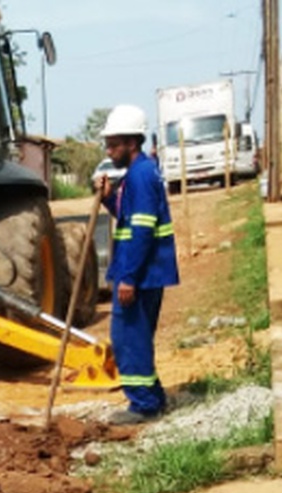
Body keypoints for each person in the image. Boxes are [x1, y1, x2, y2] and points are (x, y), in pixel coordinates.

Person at [93, 105, 180, 425]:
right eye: (109, 144)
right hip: (146, 271)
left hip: (140, 274)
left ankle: (143, 405)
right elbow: (129, 217)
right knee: (138, 336)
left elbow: (141, 231)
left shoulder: (141, 175)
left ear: (133, 142)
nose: (109, 150)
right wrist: (107, 198)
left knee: (128, 338)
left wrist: (128, 277)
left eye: (114, 144)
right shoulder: (141, 172)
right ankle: (153, 396)